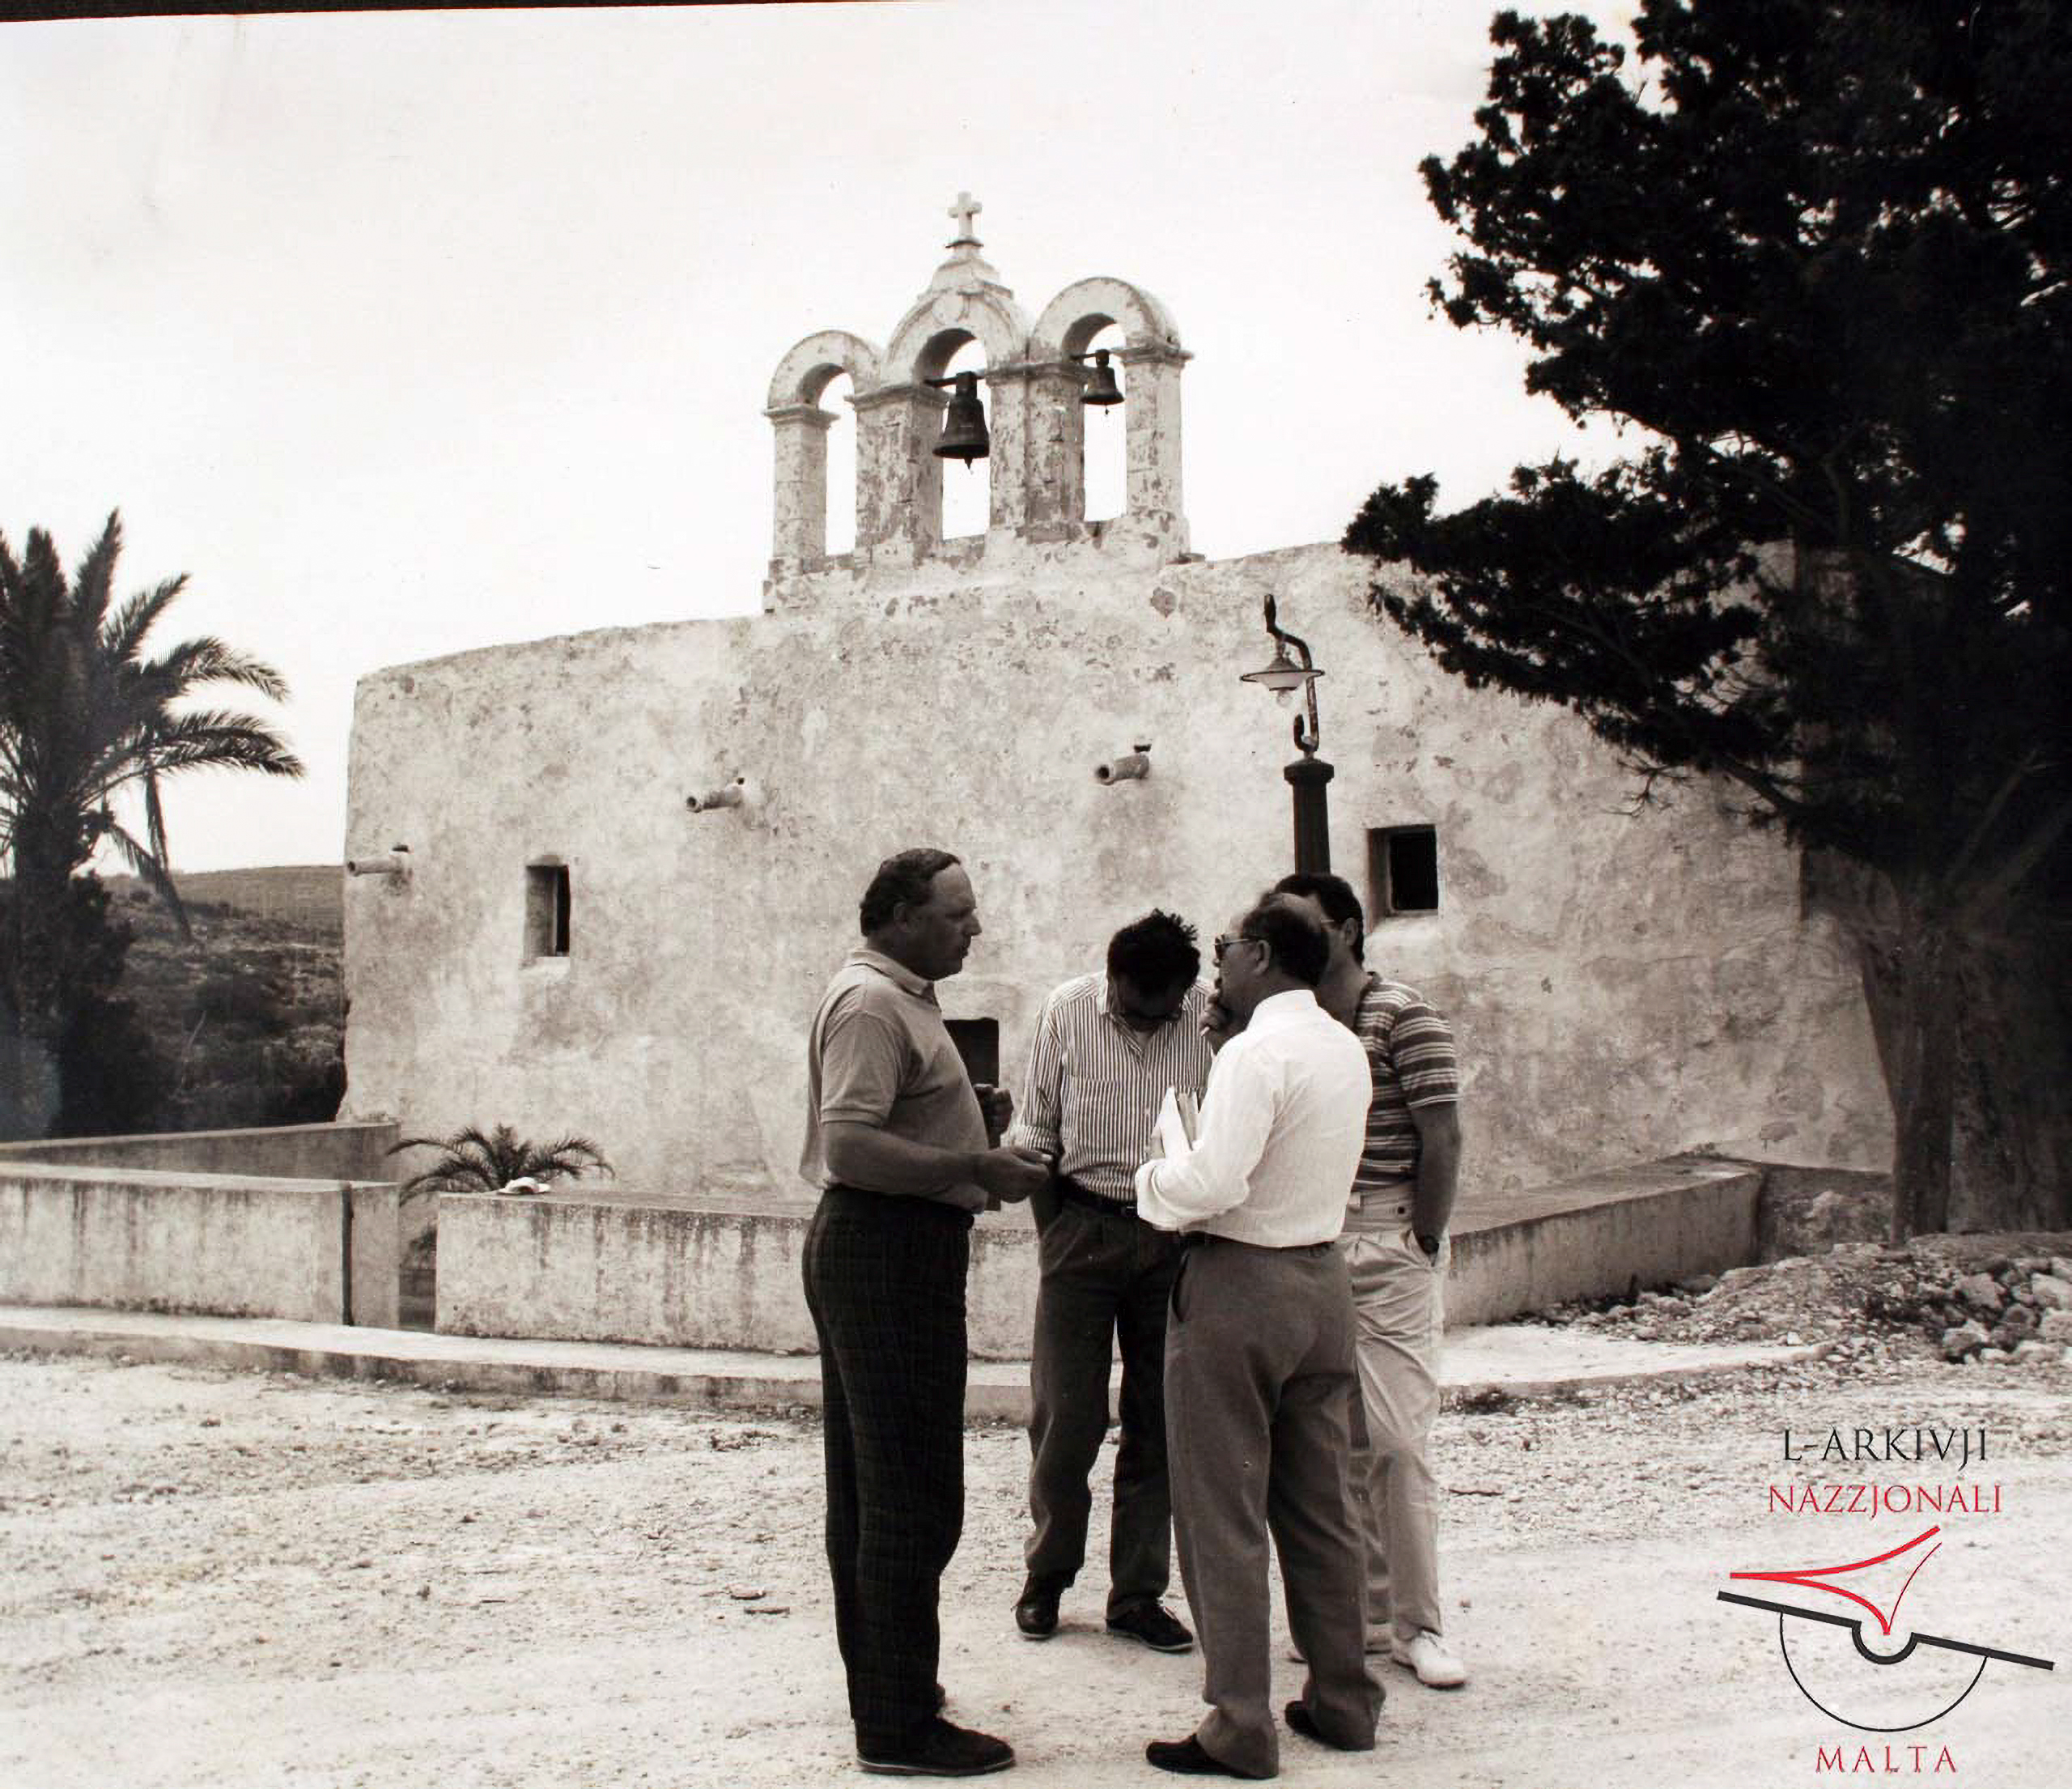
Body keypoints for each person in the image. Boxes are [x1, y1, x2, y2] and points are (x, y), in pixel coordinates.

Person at [799, 848, 1052, 1778]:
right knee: (909, 1493)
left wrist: (961, 1120)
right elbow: (853, 1145)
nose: (973, 927)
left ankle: (891, 1687)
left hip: (887, 1244)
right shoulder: (872, 1002)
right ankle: (898, 1726)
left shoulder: (897, 994)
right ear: (902, 915)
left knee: (873, 1487)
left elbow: (886, 1121)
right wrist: (972, 1164)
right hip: (884, 1247)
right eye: (956, 912)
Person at [1133, 893, 1382, 1779]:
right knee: (1322, 1507)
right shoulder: (1342, 1045)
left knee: (1221, 1510)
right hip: (1322, 1279)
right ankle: (1344, 1697)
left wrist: (1152, 1177)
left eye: (1230, 945)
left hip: (1240, 1281)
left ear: (1265, 956)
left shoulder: (1255, 1051)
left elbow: (1213, 1179)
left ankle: (1238, 1720)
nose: (1218, 959)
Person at [1275, 870, 1467, 1690]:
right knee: (1323, 1446)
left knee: (1395, 1441)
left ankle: (1418, 1625)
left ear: (1348, 929)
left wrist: (1418, 1236)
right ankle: (1348, 1617)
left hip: (1387, 1238)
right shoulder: (1288, 1022)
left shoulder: (1403, 1016)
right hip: (1313, 1240)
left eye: (1307, 926)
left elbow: (1443, 1135)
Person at [1005, 910, 1212, 1654]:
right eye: (1136, 1005)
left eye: (1165, 1011)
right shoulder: (1067, 1010)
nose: (1152, 1021)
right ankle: (1048, 1577)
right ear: (1114, 977)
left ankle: (1137, 1596)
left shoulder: (1209, 1024)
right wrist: (1057, 1236)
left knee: (1160, 1419)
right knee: (1066, 1416)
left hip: (1175, 1239)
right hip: (1083, 1228)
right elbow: (1035, 1134)